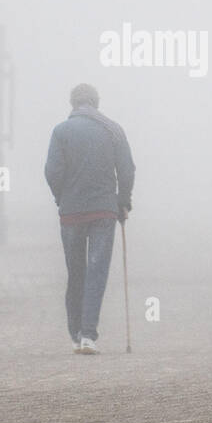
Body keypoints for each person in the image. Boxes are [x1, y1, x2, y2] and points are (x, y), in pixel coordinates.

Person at [44, 83, 135, 355]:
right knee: (97, 271)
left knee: (76, 273)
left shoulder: (61, 131)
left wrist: (62, 198)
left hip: (71, 213)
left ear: (72, 104)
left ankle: (74, 333)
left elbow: (51, 171)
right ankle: (88, 335)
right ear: (96, 103)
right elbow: (127, 169)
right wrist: (123, 202)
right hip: (103, 212)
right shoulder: (113, 130)